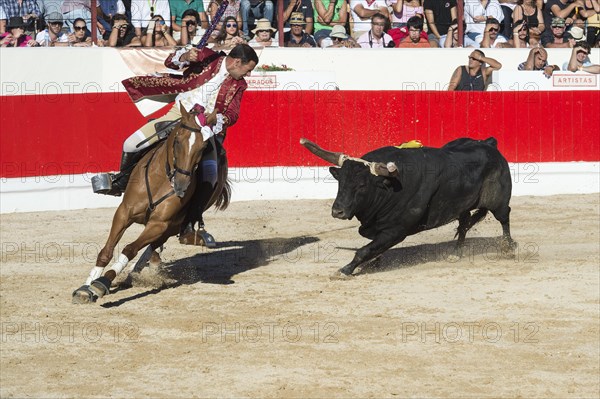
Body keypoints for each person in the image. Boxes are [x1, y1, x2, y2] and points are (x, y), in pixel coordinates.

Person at [95, 44, 258, 244]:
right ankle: (121, 181)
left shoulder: (239, 85)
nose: (248, 74)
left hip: (205, 129)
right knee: (131, 143)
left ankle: (190, 223)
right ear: (236, 62)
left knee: (211, 173)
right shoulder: (207, 56)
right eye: (248, 69)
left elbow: (233, 115)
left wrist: (218, 119)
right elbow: (170, 62)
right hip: (177, 115)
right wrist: (184, 55)